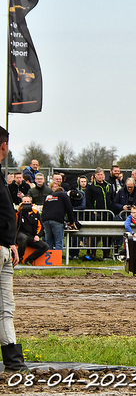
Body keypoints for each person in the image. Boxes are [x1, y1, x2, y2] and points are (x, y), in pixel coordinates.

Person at [0, 126, 30, 373]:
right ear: (4, 146)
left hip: (4, 249)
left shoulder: (1, 175)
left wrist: (11, 242)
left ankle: (14, 361)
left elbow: (5, 212)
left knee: (6, 307)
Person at [15, 197, 49, 265]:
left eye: (28, 202)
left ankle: (29, 260)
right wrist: (19, 210)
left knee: (45, 246)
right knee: (24, 237)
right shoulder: (18, 213)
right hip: (20, 235)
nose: (26, 203)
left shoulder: (35, 213)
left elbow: (40, 226)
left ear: (31, 203)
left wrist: (37, 235)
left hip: (31, 236)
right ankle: (19, 259)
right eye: (25, 202)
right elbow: (13, 222)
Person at [41, 186, 75, 251]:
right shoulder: (63, 195)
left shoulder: (48, 197)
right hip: (57, 220)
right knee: (58, 241)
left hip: (45, 220)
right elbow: (69, 209)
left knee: (48, 241)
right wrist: (71, 221)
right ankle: (57, 260)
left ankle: (49, 259)